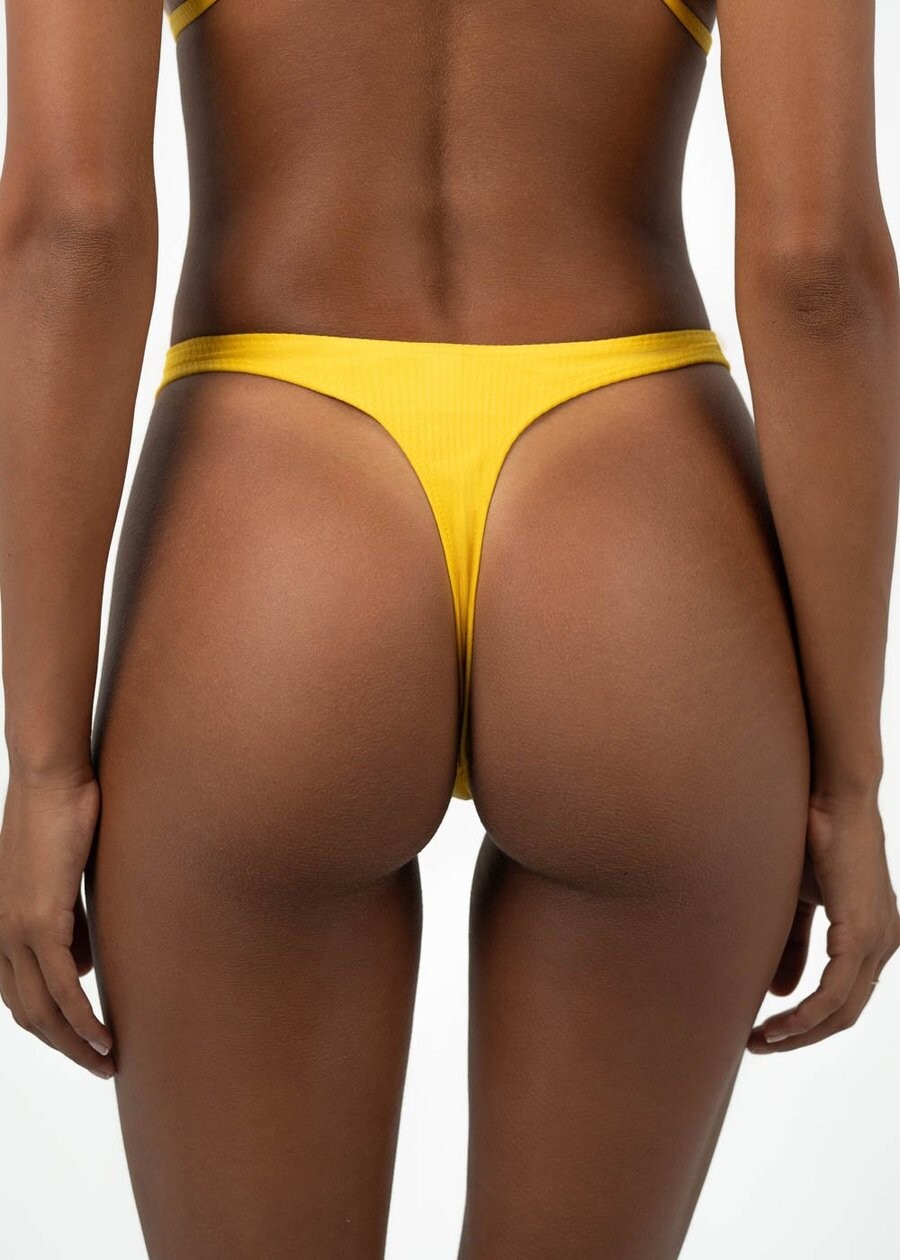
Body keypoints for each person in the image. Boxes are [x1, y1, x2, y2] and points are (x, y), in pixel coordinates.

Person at [0, 0, 898, 1255]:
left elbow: (72, 227)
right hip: (639, 542)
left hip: (270, 530)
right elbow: (818, 267)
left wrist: (43, 761)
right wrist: (849, 780)